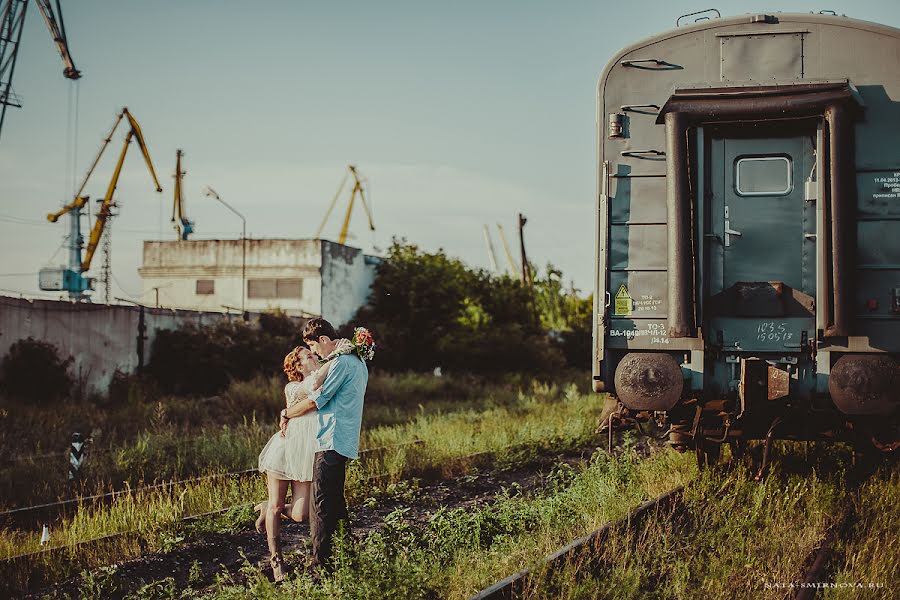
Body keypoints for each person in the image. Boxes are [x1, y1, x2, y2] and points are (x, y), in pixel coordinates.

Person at [282, 317, 368, 571]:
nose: (315, 354)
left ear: (322, 340)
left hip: (331, 439)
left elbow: (315, 401)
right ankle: (347, 556)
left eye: (314, 348)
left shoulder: (341, 362)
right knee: (335, 503)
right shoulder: (357, 361)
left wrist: (286, 414)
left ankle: (320, 566)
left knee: (320, 505)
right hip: (343, 438)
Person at [255, 345, 332, 581]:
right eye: (309, 356)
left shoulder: (318, 380)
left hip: (306, 454)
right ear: (298, 366)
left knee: (301, 514)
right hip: (285, 451)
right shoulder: (294, 387)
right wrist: (341, 354)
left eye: (313, 354)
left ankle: (267, 508)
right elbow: (314, 384)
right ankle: (276, 561)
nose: (314, 356)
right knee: (278, 507)